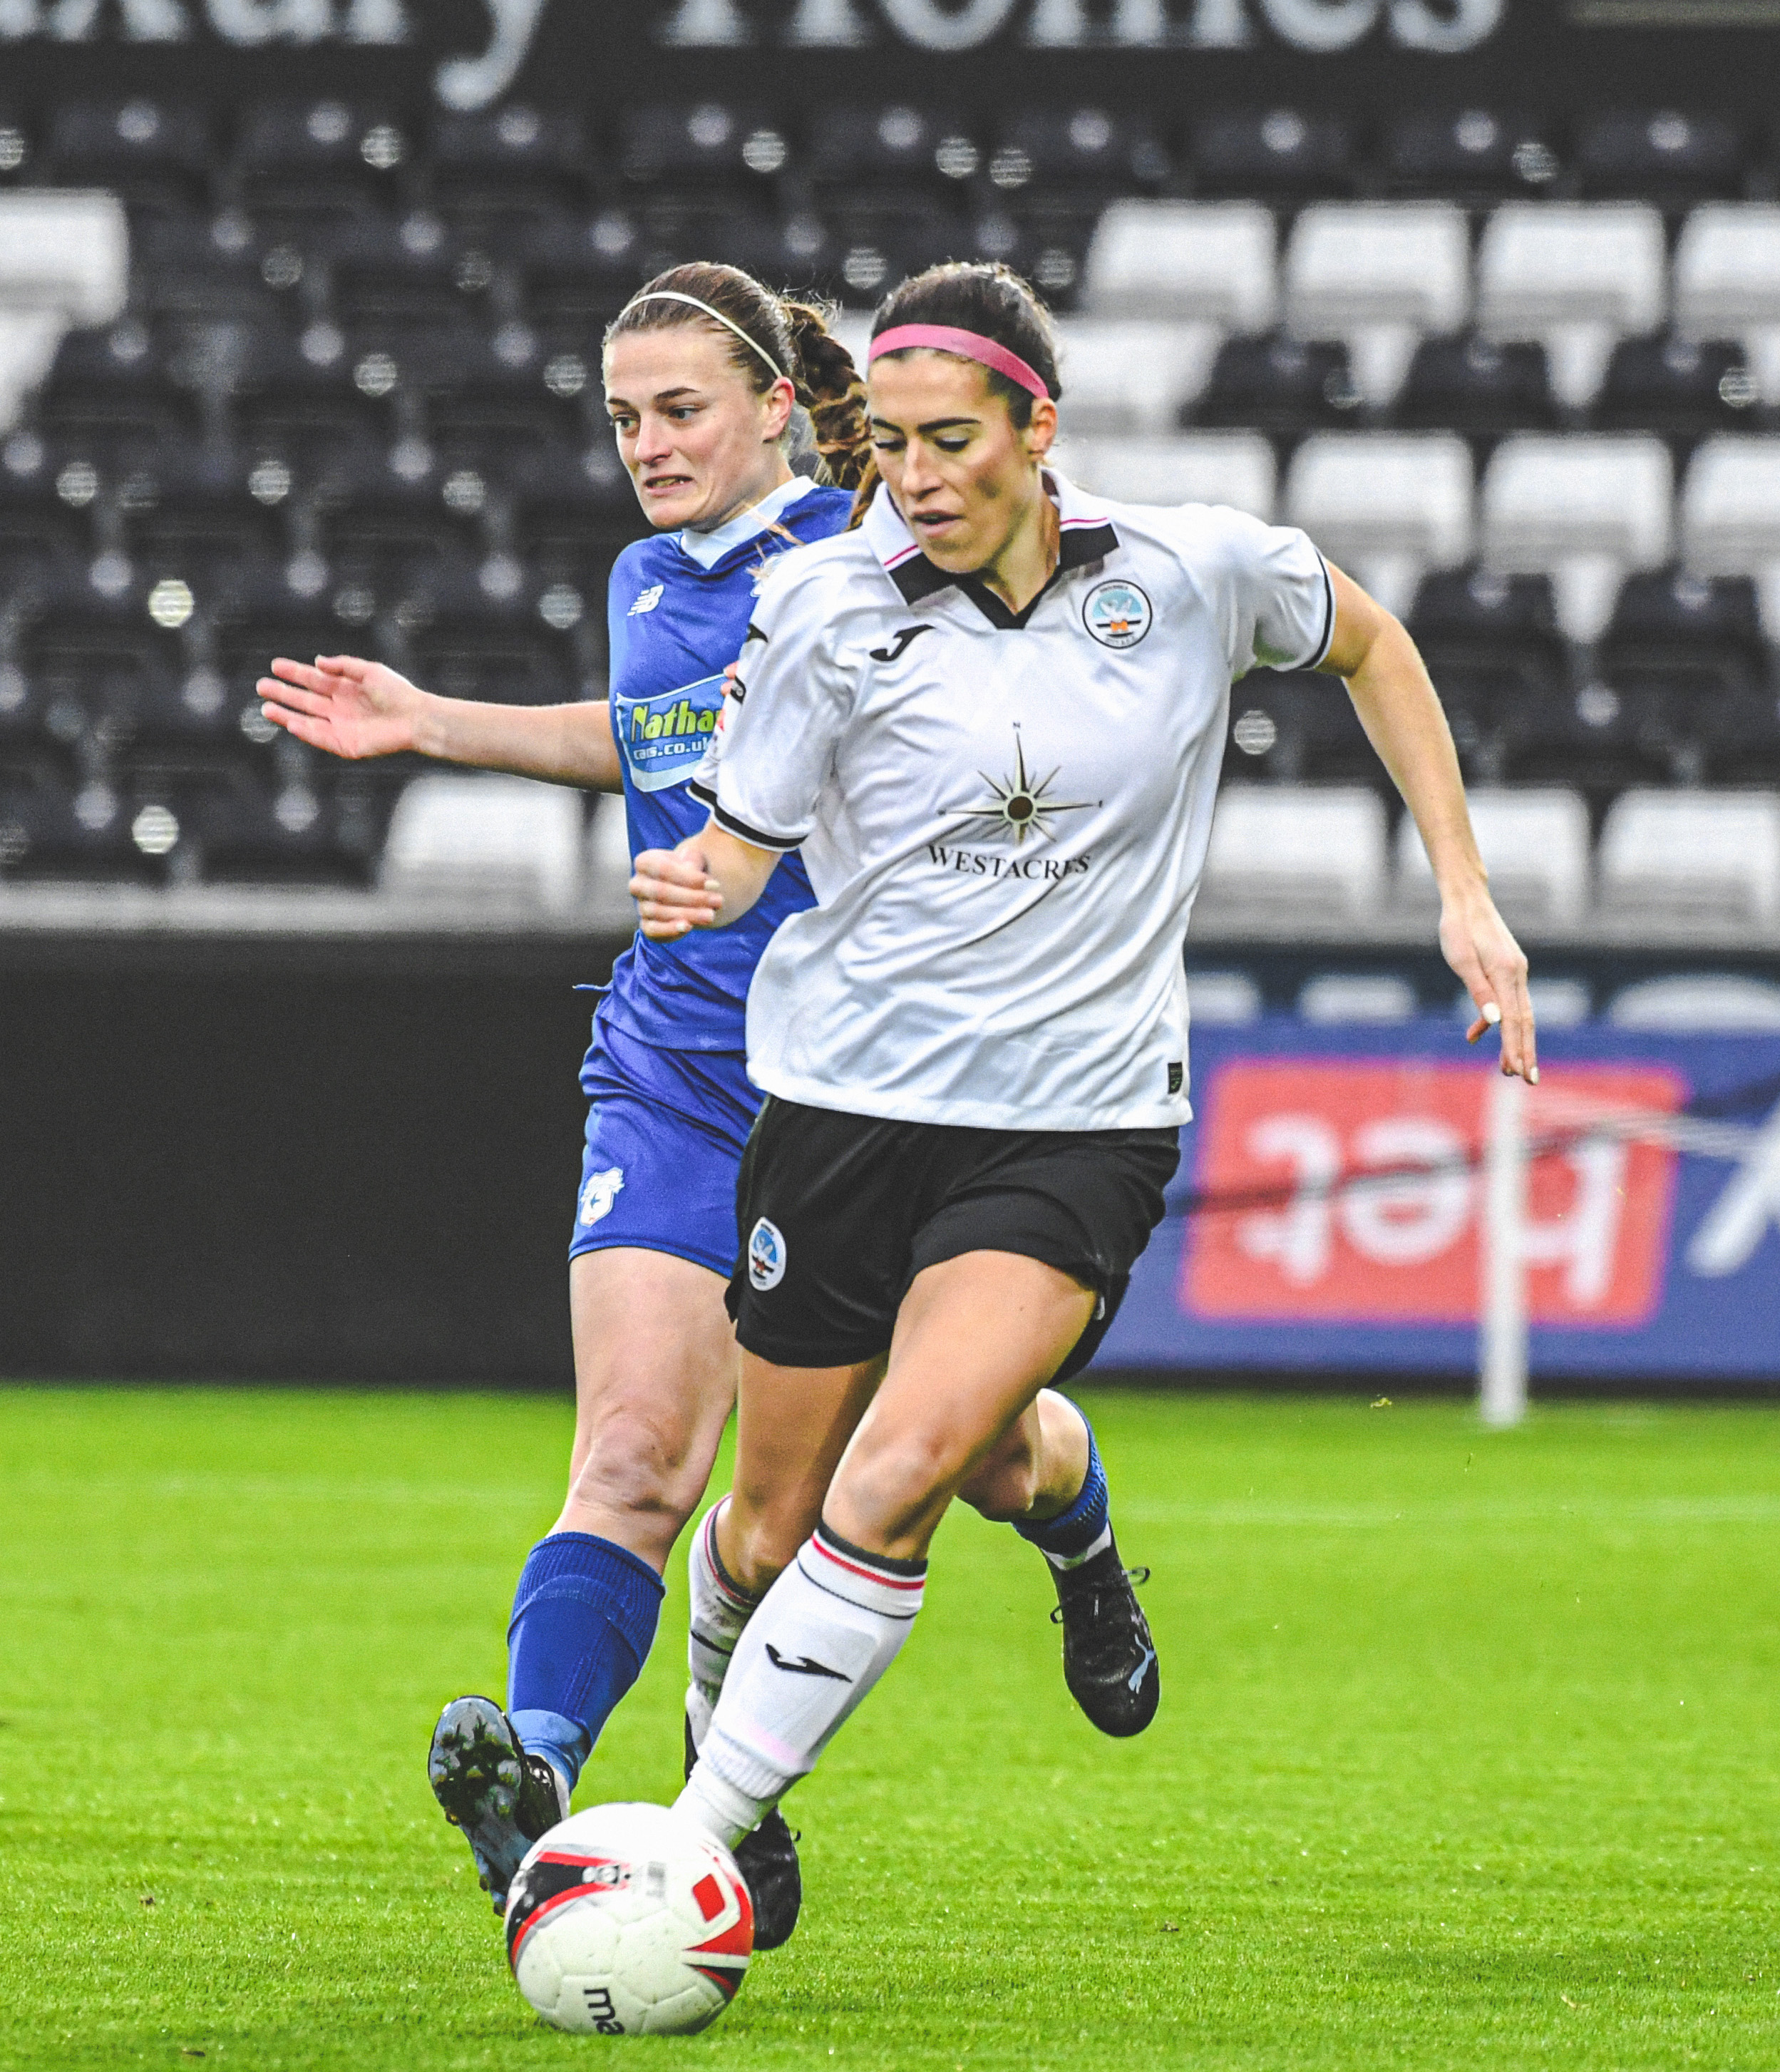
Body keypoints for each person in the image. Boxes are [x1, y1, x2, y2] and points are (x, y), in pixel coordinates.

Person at [261, 265, 1141, 1944]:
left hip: (879, 1087)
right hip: (675, 1065)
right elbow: (659, 737)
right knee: (636, 1460)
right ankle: (536, 1783)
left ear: (771, 411)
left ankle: (1078, 1548)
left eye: (677, 411)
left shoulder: (898, 556)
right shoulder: (650, 575)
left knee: (965, 1462)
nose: (647, 446)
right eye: (621, 418)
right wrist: (432, 721)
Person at [634, 262, 1535, 1868]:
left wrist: (1461, 891)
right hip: (844, 1102)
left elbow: (1375, 646)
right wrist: (703, 876)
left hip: (1074, 1122)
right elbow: (752, 847)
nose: (914, 480)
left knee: (898, 1467)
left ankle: (701, 1837)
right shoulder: (827, 608)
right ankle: (1066, 1540)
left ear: (1036, 429)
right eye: (892, 446)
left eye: (951, 441)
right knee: (788, 1521)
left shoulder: (1194, 568)